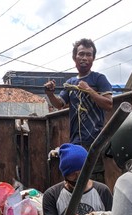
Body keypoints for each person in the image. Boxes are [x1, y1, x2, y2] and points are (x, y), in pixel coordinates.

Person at [44, 38, 113, 183]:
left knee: (95, 182)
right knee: (76, 180)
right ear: (74, 57)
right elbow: (59, 104)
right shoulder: (70, 83)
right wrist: (50, 93)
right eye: (81, 54)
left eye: (89, 55)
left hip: (96, 141)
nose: (85, 58)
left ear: (93, 58)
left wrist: (88, 90)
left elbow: (108, 104)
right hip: (76, 143)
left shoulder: (99, 79)